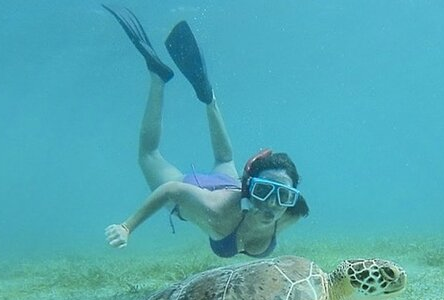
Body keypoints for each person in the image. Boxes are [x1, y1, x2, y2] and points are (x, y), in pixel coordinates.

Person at [102, 6, 309, 258]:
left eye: (285, 195)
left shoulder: (292, 214)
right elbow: (170, 191)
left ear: (293, 197)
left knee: (225, 160)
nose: (273, 204)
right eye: (264, 191)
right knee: (149, 154)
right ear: (248, 188)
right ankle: (158, 78)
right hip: (210, 193)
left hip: (229, 186)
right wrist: (127, 227)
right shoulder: (213, 208)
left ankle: (209, 98)